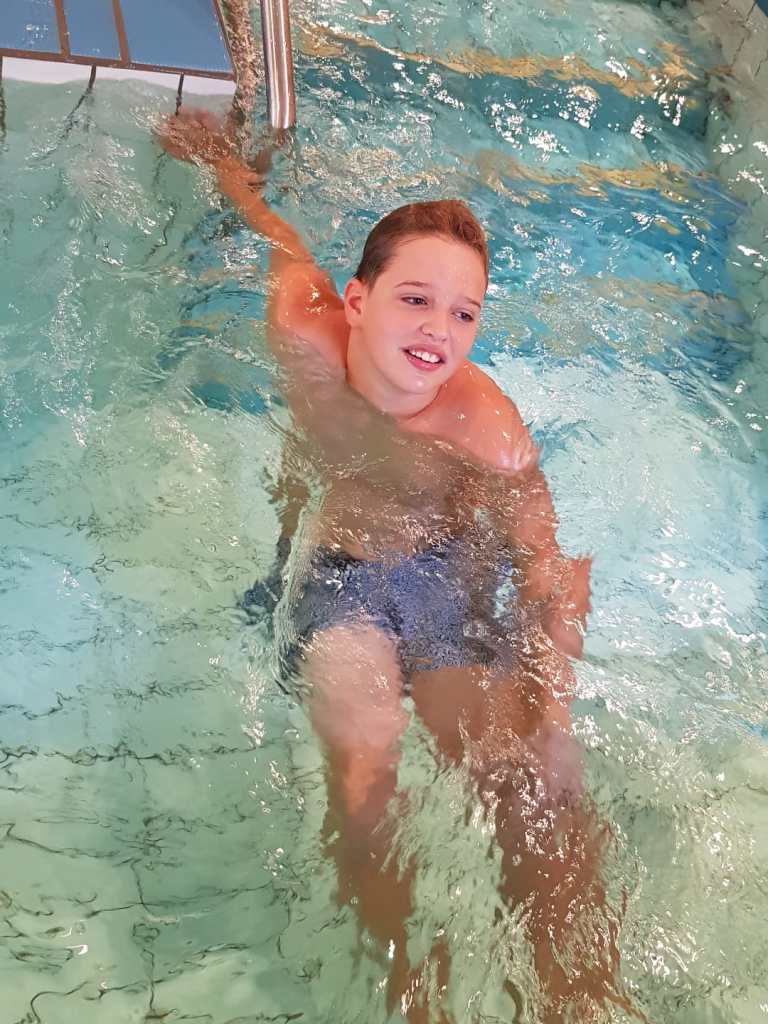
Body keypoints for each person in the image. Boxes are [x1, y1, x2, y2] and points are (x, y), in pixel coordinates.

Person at [157, 110, 627, 1023]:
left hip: (450, 583)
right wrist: (227, 167)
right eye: (415, 299)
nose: (438, 329)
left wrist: (555, 716)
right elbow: (278, 237)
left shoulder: (486, 431)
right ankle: (413, 996)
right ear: (357, 301)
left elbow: (551, 569)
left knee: (518, 782)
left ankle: (578, 998)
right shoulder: (301, 327)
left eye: (463, 313)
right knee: (364, 778)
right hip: (337, 576)